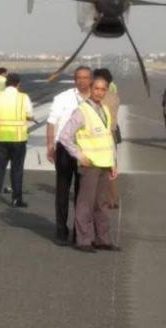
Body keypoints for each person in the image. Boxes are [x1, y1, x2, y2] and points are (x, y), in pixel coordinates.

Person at [58, 77, 120, 253]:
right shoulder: (82, 111)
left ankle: (102, 239)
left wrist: (113, 163)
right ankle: (83, 240)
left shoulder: (105, 110)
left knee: (102, 204)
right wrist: (79, 155)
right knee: (85, 203)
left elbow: (109, 138)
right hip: (90, 165)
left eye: (103, 89)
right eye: (96, 89)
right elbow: (65, 136)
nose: (99, 92)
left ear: (106, 91)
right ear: (91, 89)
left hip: (105, 165)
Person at [46, 66, 92, 246]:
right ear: (75, 80)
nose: (82, 81)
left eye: (86, 77)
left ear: (91, 79)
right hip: (64, 149)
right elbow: (51, 122)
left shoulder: (97, 99)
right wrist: (50, 145)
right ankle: (61, 230)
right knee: (62, 192)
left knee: (82, 195)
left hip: (85, 151)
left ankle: (78, 233)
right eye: (79, 78)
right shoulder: (62, 98)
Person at [0, 73, 34, 208]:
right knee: (17, 169)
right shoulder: (23, 97)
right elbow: (30, 114)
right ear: (18, 84)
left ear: (6, 83)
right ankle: (16, 199)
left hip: (0, 138)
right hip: (18, 138)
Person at [93, 68, 121, 209]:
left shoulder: (100, 97)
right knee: (112, 167)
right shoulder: (114, 97)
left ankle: (100, 198)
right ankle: (113, 199)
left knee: (95, 168)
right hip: (112, 135)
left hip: (100, 136)